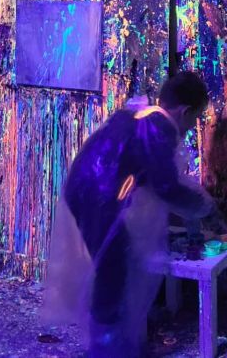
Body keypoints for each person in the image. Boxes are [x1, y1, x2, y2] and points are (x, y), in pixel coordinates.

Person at [42, 71, 214, 357]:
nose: (191, 127)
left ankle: (110, 336)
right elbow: (167, 187)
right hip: (99, 197)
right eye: (195, 118)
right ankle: (106, 345)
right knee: (113, 267)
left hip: (83, 188)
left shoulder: (138, 115)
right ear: (185, 111)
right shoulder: (158, 129)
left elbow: (140, 171)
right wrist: (205, 207)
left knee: (114, 260)